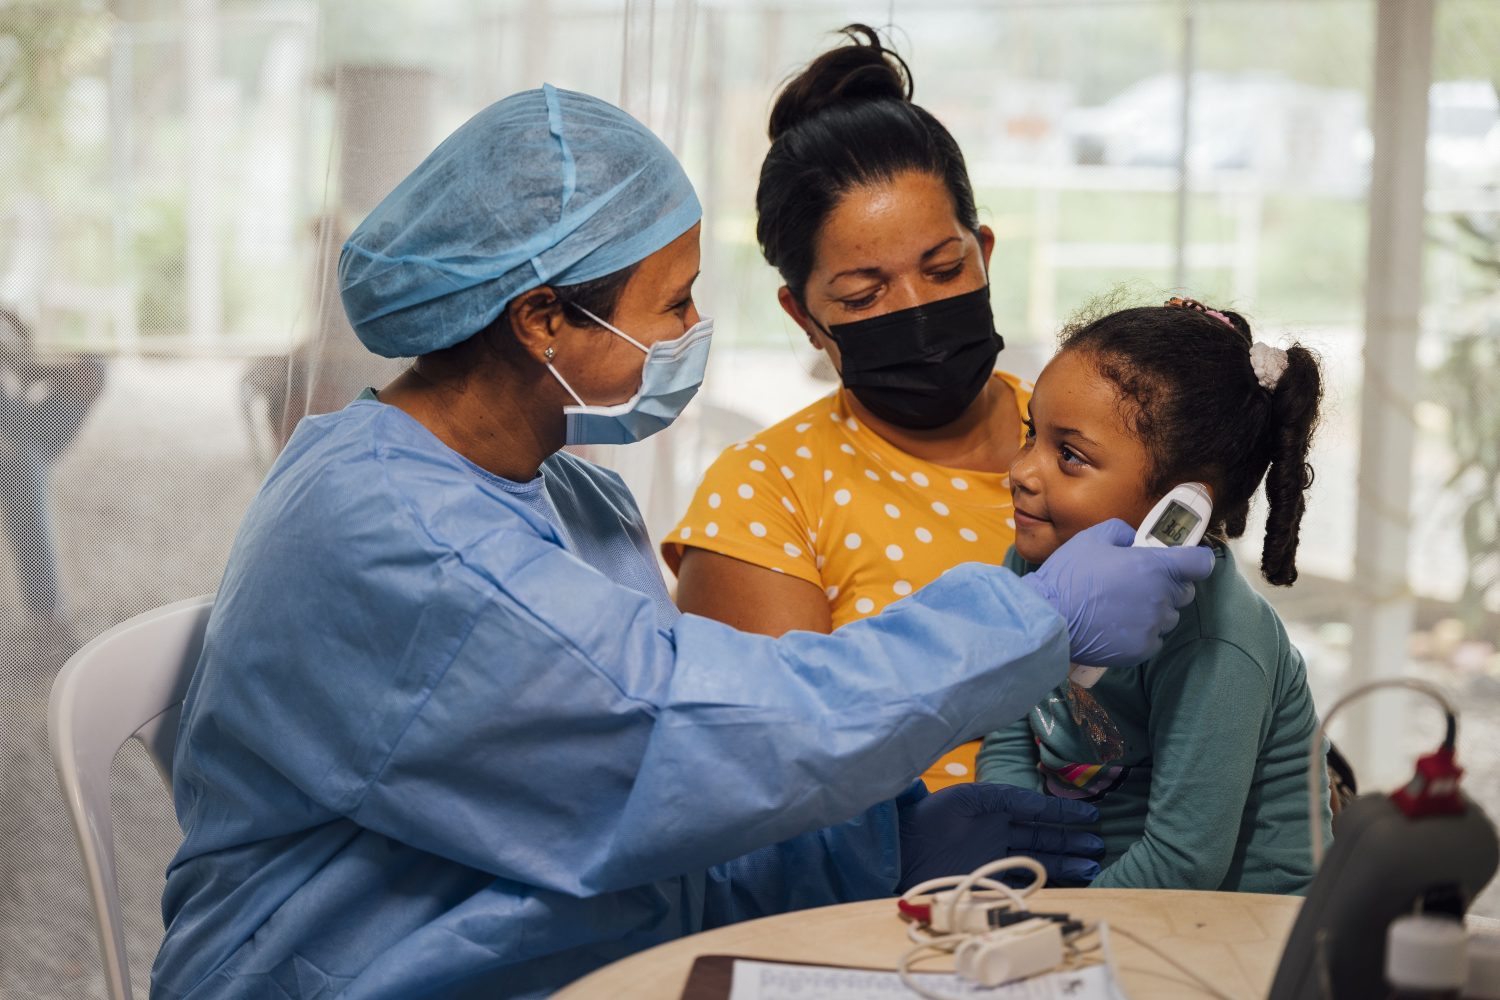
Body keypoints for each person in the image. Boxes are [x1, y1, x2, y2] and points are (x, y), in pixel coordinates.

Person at [150, 86, 1213, 1000]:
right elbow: (702, 729)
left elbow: (654, 806)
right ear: (540, 320)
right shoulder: (409, 546)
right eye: (673, 303)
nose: (695, 332)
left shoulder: (561, 497)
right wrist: (1034, 615)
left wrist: (877, 843)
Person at [666, 26, 1032, 791]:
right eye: (864, 295)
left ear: (984, 253)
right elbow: (773, 781)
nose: (917, 310)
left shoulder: (1092, 443)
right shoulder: (768, 494)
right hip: (892, 905)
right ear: (803, 316)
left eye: (943, 269)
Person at [977, 297, 1333, 894]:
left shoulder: (1215, 642)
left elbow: (1183, 862)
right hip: (1102, 899)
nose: (1021, 470)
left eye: (1069, 455)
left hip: (1236, 930)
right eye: (1032, 433)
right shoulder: (1033, 559)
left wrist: (1052, 929)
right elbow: (1009, 735)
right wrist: (1014, 864)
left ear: (1179, 506)